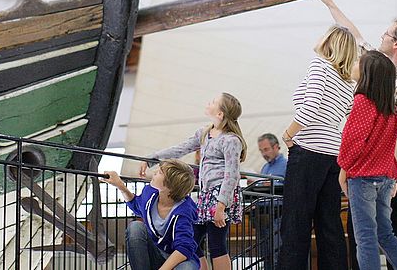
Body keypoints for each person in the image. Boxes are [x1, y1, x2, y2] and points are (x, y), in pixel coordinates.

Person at [312, 0, 397, 270]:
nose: (380, 36)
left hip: (382, 166)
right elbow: (355, 34)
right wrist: (330, 2)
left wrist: (392, 177)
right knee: (381, 233)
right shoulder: (379, 69)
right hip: (379, 167)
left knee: (376, 233)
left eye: (387, 33)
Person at [278, 25, 359, 270]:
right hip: (333, 155)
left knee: (295, 224)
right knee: (329, 225)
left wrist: (289, 135)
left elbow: (310, 106)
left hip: (308, 152)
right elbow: (346, 116)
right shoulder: (348, 81)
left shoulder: (319, 65)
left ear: (330, 41)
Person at [142, 93, 247, 270]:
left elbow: (232, 174)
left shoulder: (231, 140)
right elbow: (181, 148)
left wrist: (221, 205)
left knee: (216, 244)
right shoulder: (205, 133)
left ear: (220, 114)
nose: (209, 102)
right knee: (192, 239)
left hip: (221, 195)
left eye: (213, 102)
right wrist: (153, 158)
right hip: (206, 196)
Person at [338, 50, 397, 270]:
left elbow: (353, 141)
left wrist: (343, 170)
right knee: (386, 234)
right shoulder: (389, 108)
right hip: (385, 178)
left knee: (365, 239)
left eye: (357, 63)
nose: (354, 64)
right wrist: (393, 177)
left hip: (363, 178)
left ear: (367, 73)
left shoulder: (362, 101)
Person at [103, 159, 201, 270]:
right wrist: (120, 185)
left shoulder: (184, 211)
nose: (154, 172)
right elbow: (136, 204)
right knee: (135, 227)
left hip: (179, 259)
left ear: (170, 185)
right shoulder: (150, 193)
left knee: (187, 268)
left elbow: (184, 248)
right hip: (156, 252)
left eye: (159, 172)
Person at [255, 133, 287, 269]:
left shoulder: (286, 165)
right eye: (261, 150)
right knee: (266, 255)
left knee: (277, 254)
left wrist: (272, 184)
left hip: (278, 215)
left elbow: (289, 186)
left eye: (266, 149)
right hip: (264, 216)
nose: (263, 153)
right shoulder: (265, 168)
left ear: (276, 147)